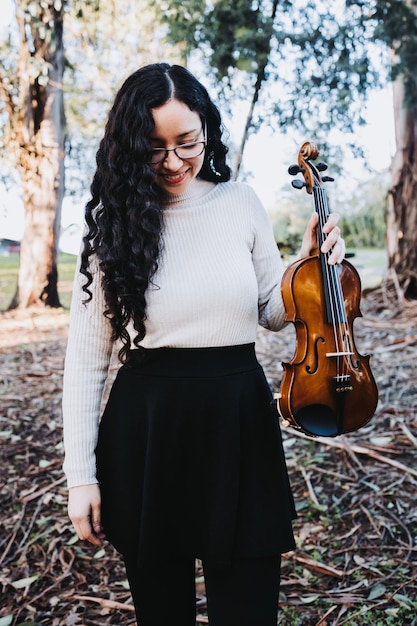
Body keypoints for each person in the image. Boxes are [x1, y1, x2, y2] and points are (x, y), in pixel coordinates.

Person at [62, 62, 345, 626]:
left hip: (238, 420)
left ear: (206, 131)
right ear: (129, 147)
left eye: (186, 142)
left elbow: (270, 311)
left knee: (249, 610)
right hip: (146, 428)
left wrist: (308, 268)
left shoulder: (239, 203)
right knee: (162, 613)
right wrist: (81, 477)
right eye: (154, 147)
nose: (173, 161)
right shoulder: (110, 223)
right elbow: (86, 362)